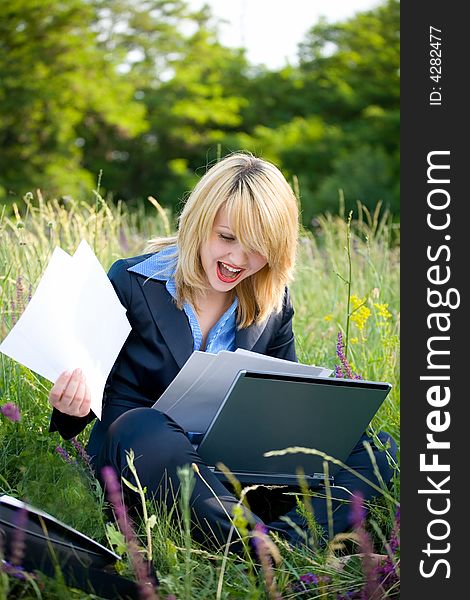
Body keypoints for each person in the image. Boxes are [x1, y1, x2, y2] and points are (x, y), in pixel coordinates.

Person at [49, 152, 396, 552]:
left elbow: (288, 402)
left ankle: (285, 544)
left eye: (257, 248)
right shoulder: (130, 282)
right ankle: (258, 548)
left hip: (236, 470)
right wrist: (70, 407)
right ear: (200, 223)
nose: (237, 260)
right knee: (141, 426)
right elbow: (78, 410)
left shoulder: (273, 303)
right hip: (145, 465)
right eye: (227, 238)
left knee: (376, 447)